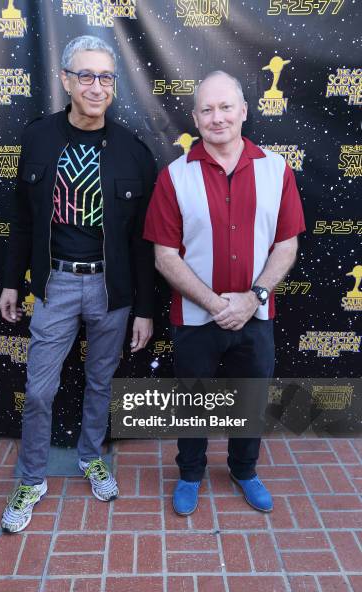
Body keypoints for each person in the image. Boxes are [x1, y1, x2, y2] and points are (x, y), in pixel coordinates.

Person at [0, 35, 156, 532]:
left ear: (114, 85)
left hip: (112, 289)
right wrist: (10, 281)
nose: (95, 86)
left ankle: (92, 457)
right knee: (39, 390)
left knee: (100, 382)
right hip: (56, 285)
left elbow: (142, 242)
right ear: (66, 80)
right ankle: (31, 477)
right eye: (84, 75)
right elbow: (22, 220)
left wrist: (145, 308)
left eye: (105, 77)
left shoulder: (133, 151)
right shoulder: (38, 137)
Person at [144, 71, 305, 516]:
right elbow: (164, 256)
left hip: (256, 314)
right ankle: (191, 474)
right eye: (208, 110)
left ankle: (243, 469)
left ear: (244, 112)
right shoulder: (174, 177)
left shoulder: (276, 169)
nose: (218, 118)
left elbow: (287, 244)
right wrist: (218, 305)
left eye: (226, 107)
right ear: (195, 118)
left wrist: (251, 299)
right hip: (197, 319)